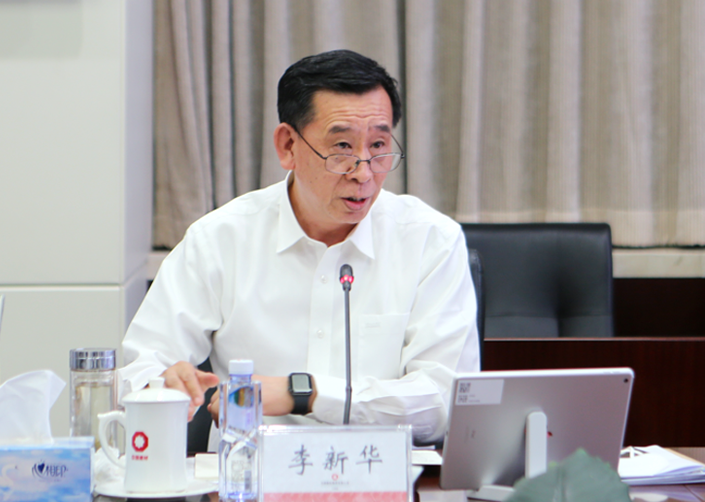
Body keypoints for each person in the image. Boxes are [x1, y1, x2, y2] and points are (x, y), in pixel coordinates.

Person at [119, 49, 479, 446]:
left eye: (378, 145)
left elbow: (444, 402)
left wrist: (304, 394)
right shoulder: (220, 239)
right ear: (288, 145)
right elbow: (139, 370)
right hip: (251, 472)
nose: (363, 172)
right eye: (342, 147)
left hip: (378, 471)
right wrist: (164, 385)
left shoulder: (430, 241)